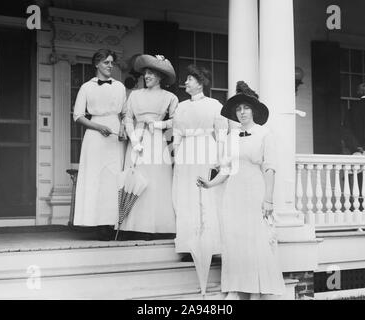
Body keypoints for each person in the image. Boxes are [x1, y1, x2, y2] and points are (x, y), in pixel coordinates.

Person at [197, 81, 285, 300]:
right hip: (233, 194)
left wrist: (268, 199)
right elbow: (226, 169)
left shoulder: (265, 134)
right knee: (235, 241)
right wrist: (210, 184)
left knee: (255, 240)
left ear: (253, 110)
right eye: (239, 109)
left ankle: (256, 291)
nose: (242, 112)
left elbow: (270, 168)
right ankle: (236, 288)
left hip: (255, 191)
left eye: (246, 108)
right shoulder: (231, 137)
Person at [119, 54, 178, 240]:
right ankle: (133, 226)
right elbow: (128, 118)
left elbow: (177, 120)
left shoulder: (170, 97)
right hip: (137, 139)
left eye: (152, 73)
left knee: (156, 181)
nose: (147, 76)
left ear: (160, 76)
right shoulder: (134, 95)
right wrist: (134, 141)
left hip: (156, 140)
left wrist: (160, 125)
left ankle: (156, 225)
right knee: (135, 179)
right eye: (145, 73)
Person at [172, 65, 228, 261]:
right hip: (186, 152)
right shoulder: (181, 106)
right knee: (186, 195)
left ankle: (210, 245)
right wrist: (177, 154)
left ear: (200, 82)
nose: (186, 82)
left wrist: (220, 157)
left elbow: (221, 133)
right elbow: (177, 132)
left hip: (206, 149)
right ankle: (189, 246)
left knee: (205, 196)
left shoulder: (214, 105)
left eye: (190, 79)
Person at [72, 49, 127, 241]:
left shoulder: (119, 86)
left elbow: (125, 112)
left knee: (113, 179)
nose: (110, 66)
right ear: (97, 64)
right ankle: (97, 225)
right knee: (96, 177)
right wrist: (97, 127)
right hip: (95, 136)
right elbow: (78, 116)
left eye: (112, 62)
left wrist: (123, 129)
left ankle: (113, 224)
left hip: (115, 136)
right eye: (106, 63)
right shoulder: (87, 87)